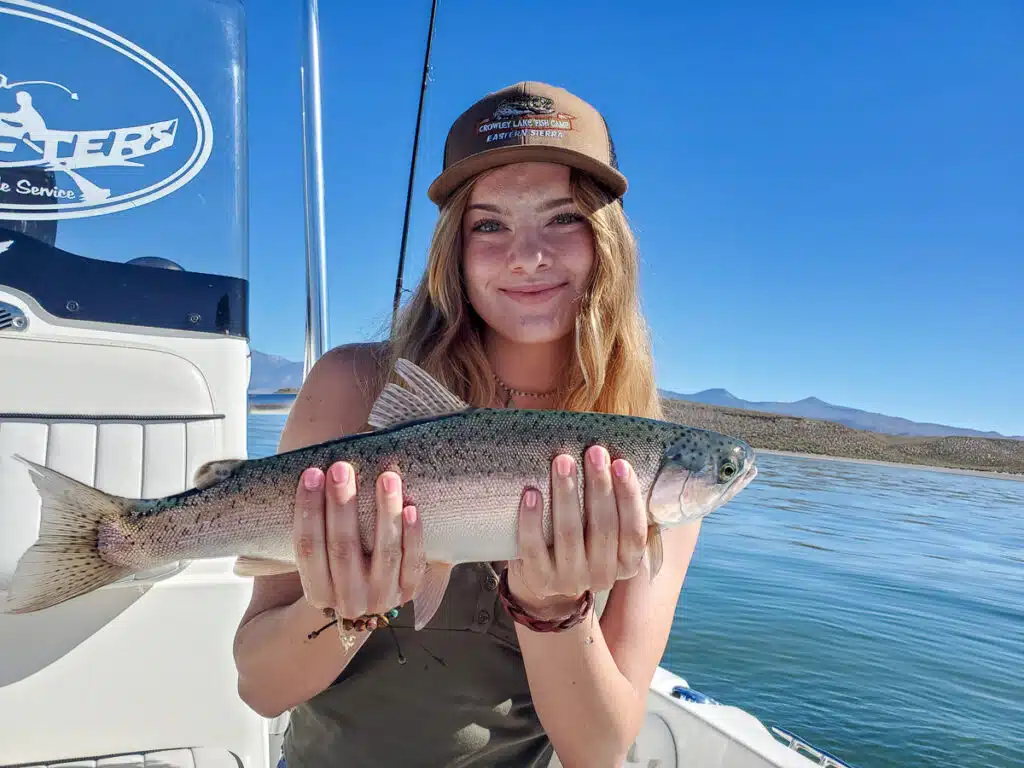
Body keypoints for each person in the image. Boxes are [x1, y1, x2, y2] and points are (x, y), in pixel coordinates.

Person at [232, 81, 704, 767]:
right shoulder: (348, 386)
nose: (527, 255)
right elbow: (260, 690)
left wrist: (553, 609)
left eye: (563, 218)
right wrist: (343, 610)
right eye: (489, 225)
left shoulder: (649, 467)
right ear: (452, 247)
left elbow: (597, 752)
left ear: (608, 240)